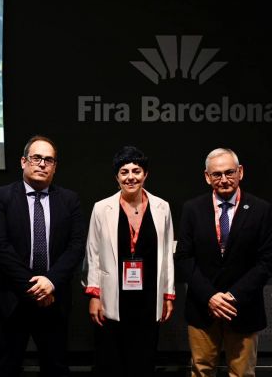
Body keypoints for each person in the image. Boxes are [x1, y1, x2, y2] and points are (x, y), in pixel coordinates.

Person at [0, 135, 86, 377]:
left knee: (56, 368)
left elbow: (77, 245)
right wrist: (35, 287)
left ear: (55, 166)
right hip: (11, 299)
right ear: (23, 162)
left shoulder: (70, 200)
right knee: (6, 369)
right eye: (36, 158)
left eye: (48, 160)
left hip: (54, 299)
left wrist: (50, 282)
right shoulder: (1, 196)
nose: (42, 164)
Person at [174, 148, 272, 377]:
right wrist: (210, 297)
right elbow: (183, 257)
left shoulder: (261, 209)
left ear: (240, 172)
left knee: (241, 373)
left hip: (242, 308)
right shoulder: (192, 209)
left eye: (229, 172)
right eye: (217, 174)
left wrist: (233, 297)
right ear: (207, 177)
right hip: (203, 307)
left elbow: (268, 262)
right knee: (201, 370)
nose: (223, 179)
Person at [83, 146, 175, 377]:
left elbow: (167, 256)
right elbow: (92, 253)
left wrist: (167, 294)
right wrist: (94, 296)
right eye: (124, 172)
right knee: (112, 359)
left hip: (148, 295)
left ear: (146, 175)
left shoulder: (162, 207)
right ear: (116, 177)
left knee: (143, 358)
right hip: (113, 296)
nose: (131, 177)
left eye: (136, 171)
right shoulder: (102, 208)